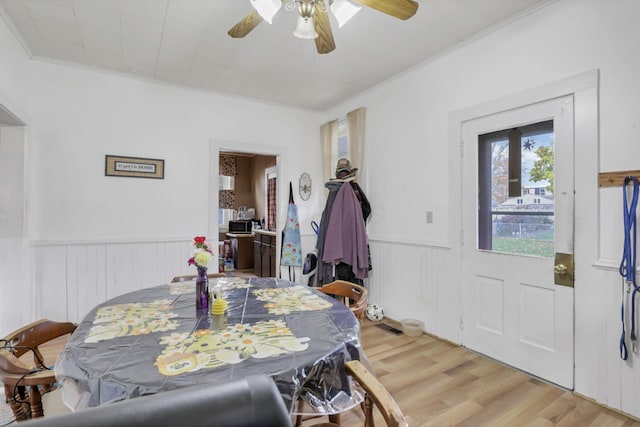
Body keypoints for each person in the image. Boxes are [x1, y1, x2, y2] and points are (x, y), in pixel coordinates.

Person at [315, 158, 371, 286]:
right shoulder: (350, 190)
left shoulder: (335, 191)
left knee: (342, 280)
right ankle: (349, 303)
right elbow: (366, 210)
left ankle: (343, 303)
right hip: (349, 244)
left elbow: (329, 218)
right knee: (349, 282)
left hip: (339, 246)